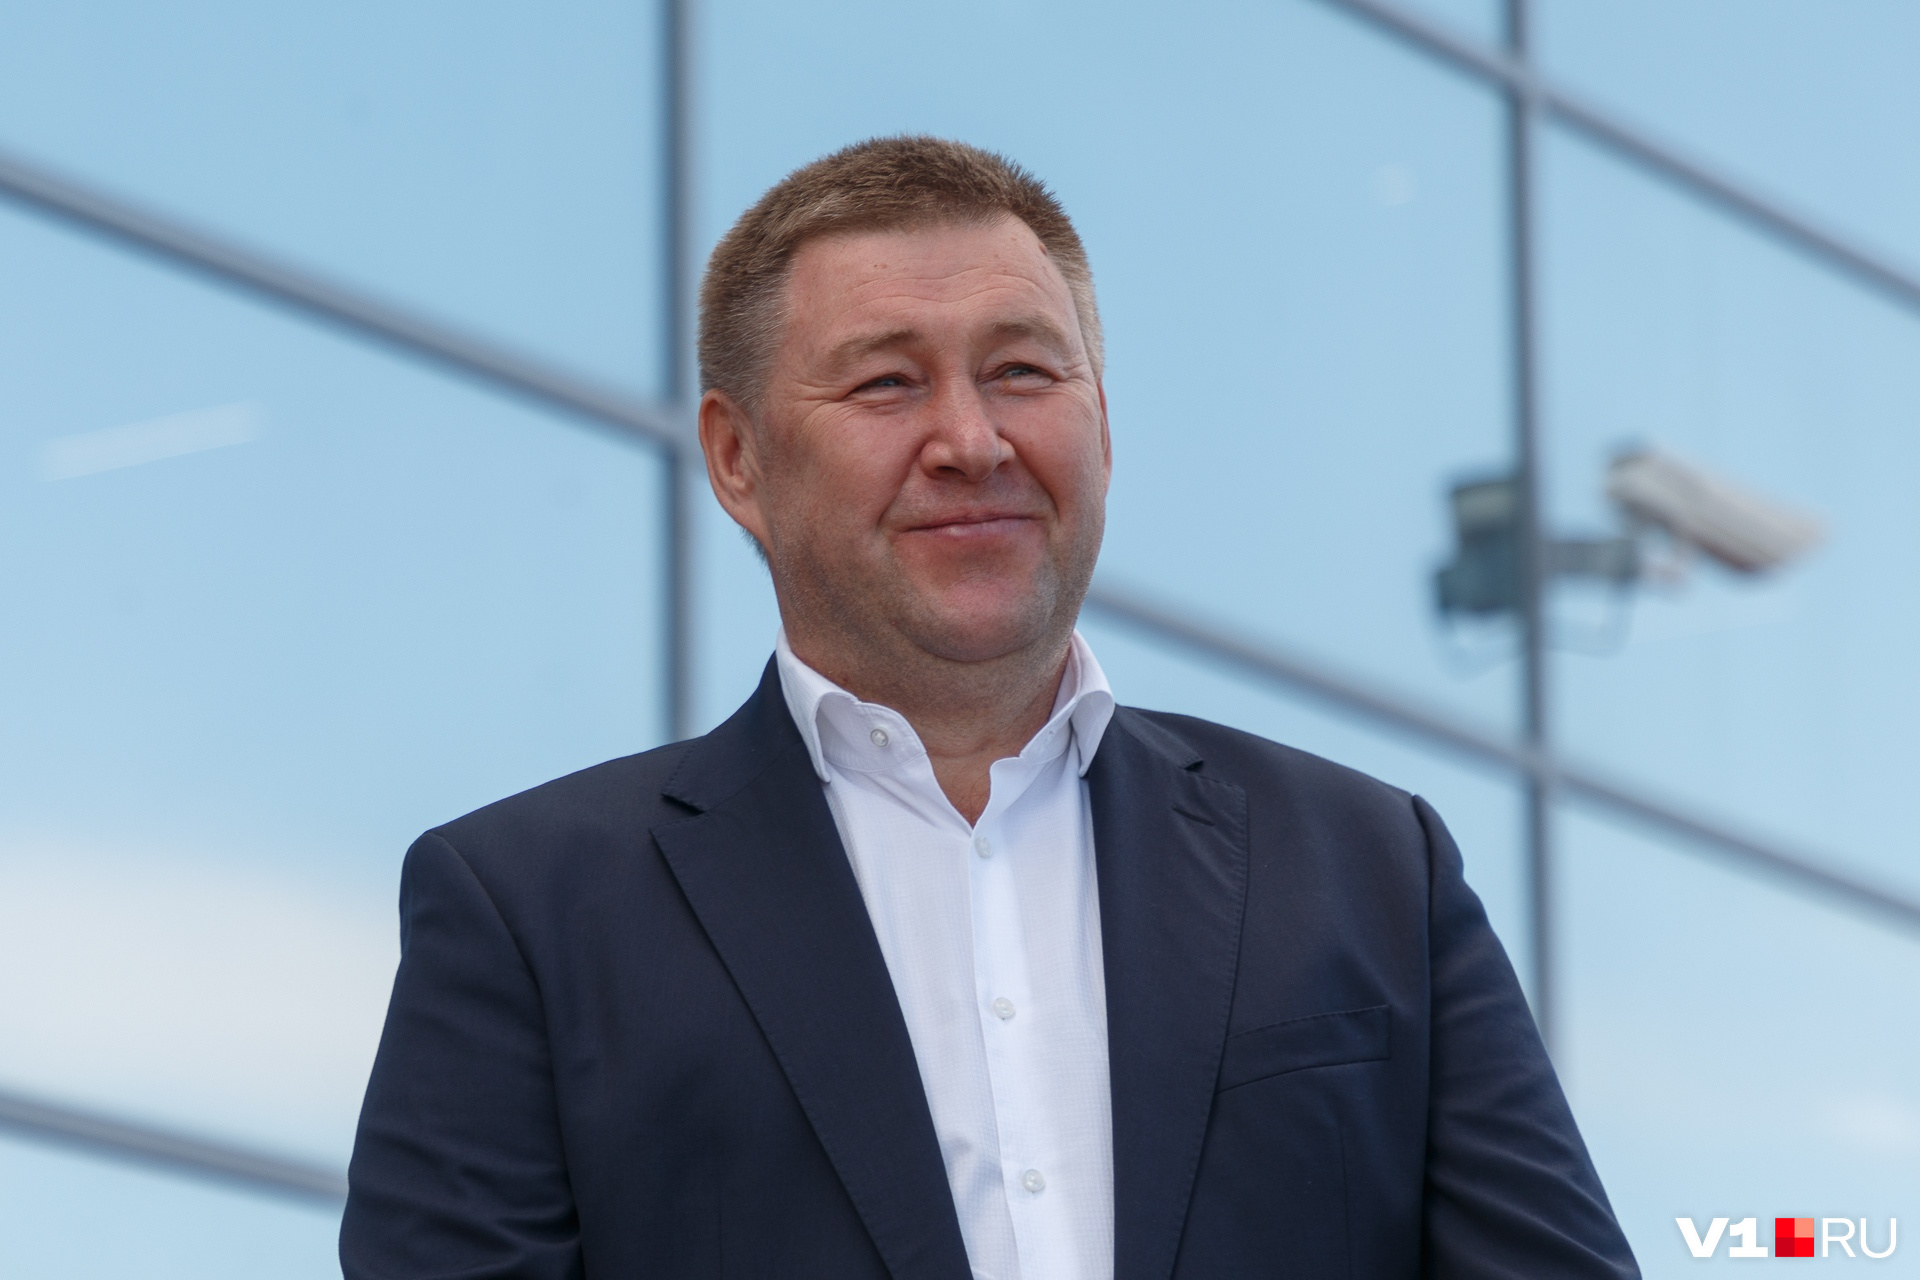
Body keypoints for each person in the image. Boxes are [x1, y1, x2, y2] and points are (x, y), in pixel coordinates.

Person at [341, 136, 1638, 1280]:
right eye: (886, 383)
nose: (972, 439)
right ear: (738, 459)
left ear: (1103, 428)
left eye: (1021, 371)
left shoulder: (1371, 870)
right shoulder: (527, 912)